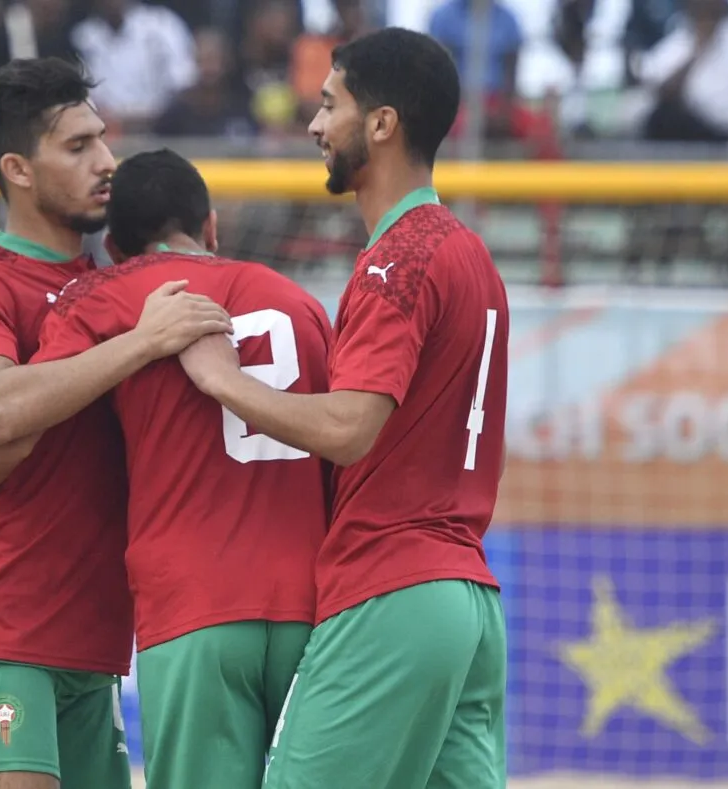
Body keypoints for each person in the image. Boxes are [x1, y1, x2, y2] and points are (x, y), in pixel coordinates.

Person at [179, 27, 510, 789]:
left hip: (392, 590)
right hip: (467, 599)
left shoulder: (397, 258)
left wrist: (221, 377)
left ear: (383, 123)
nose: (315, 125)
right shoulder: (472, 255)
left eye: (330, 105)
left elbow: (348, 427)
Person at [0, 149, 332, 789]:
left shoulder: (104, 295)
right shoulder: (301, 301)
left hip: (194, 606)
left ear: (116, 245)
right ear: (210, 224)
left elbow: (21, 418)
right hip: (312, 607)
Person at [0, 58, 231, 789]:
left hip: (92, 647)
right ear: (18, 170)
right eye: (79, 145)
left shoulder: (113, 289)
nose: (107, 161)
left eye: (103, 139)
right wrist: (143, 342)